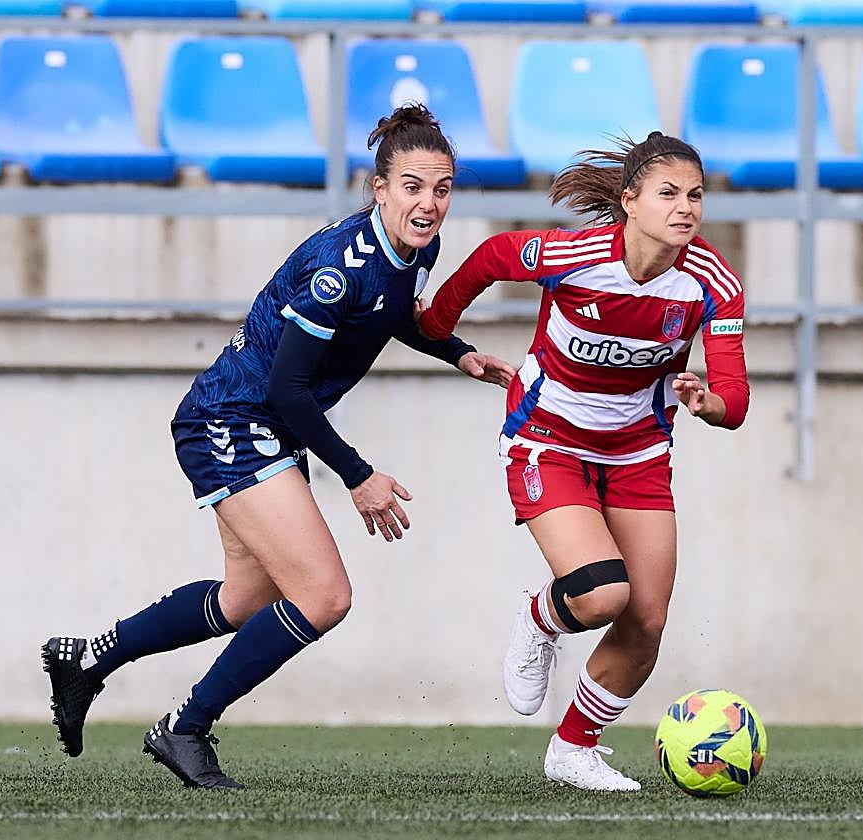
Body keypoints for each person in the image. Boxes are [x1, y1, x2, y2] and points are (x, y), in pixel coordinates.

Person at [41, 104, 514, 790]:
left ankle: (88, 657)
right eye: (411, 186)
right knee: (323, 595)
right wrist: (358, 475)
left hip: (261, 424)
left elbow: (391, 314)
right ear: (377, 187)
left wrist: (459, 353)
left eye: (441, 189)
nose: (429, 203)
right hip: (232, 420)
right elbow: (288, 389)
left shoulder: (414, 249)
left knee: (243, 599)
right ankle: (184, 728)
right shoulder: (338, 269)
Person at [418, 132, 749, 792]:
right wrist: (435, 325)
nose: (685, 207)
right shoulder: (570, 254)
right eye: (668, 194)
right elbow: (491, 256)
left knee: (647, 618)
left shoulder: (713, 281)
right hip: (546, 438)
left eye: (695, 196)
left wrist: (707, 402)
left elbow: (734, 400)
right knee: (601, 594)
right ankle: (540, 619)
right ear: (629, 201)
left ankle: (573, 750)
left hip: (639, 454)